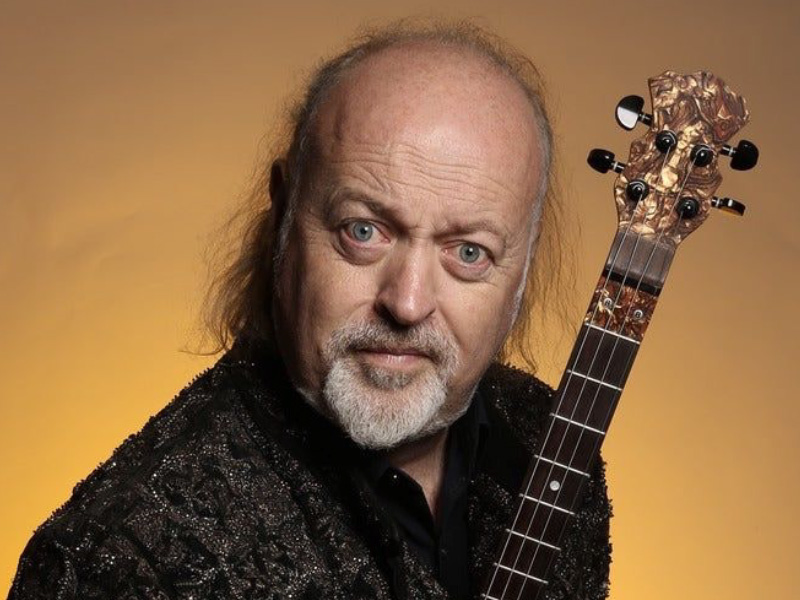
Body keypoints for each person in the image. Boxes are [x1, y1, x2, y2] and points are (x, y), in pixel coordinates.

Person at [8, 21, 611, 600]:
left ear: (523, 265)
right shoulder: (125, 559)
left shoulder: (551, 444)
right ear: (283, 216)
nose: (407, 303)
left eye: (469, 252)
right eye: (363, 231)